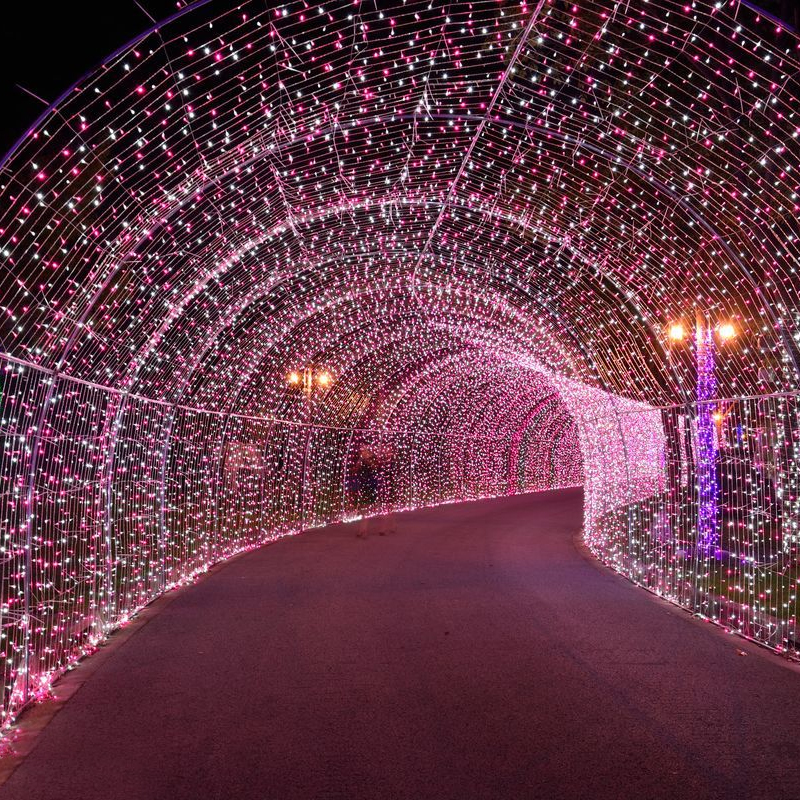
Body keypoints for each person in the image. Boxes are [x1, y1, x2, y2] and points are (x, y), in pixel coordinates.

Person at [354, 445, 379, 538]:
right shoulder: (360, 459)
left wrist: (367, 461)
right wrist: (359, 462)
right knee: (362, 508)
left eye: (364, 449)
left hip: (370, 485)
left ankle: (363, 530)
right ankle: (362, 529)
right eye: (361, 450)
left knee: (366, 508)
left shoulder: (372, 458)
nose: (362, 451)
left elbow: (375, 468)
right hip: (362, 485)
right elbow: (356, 470)